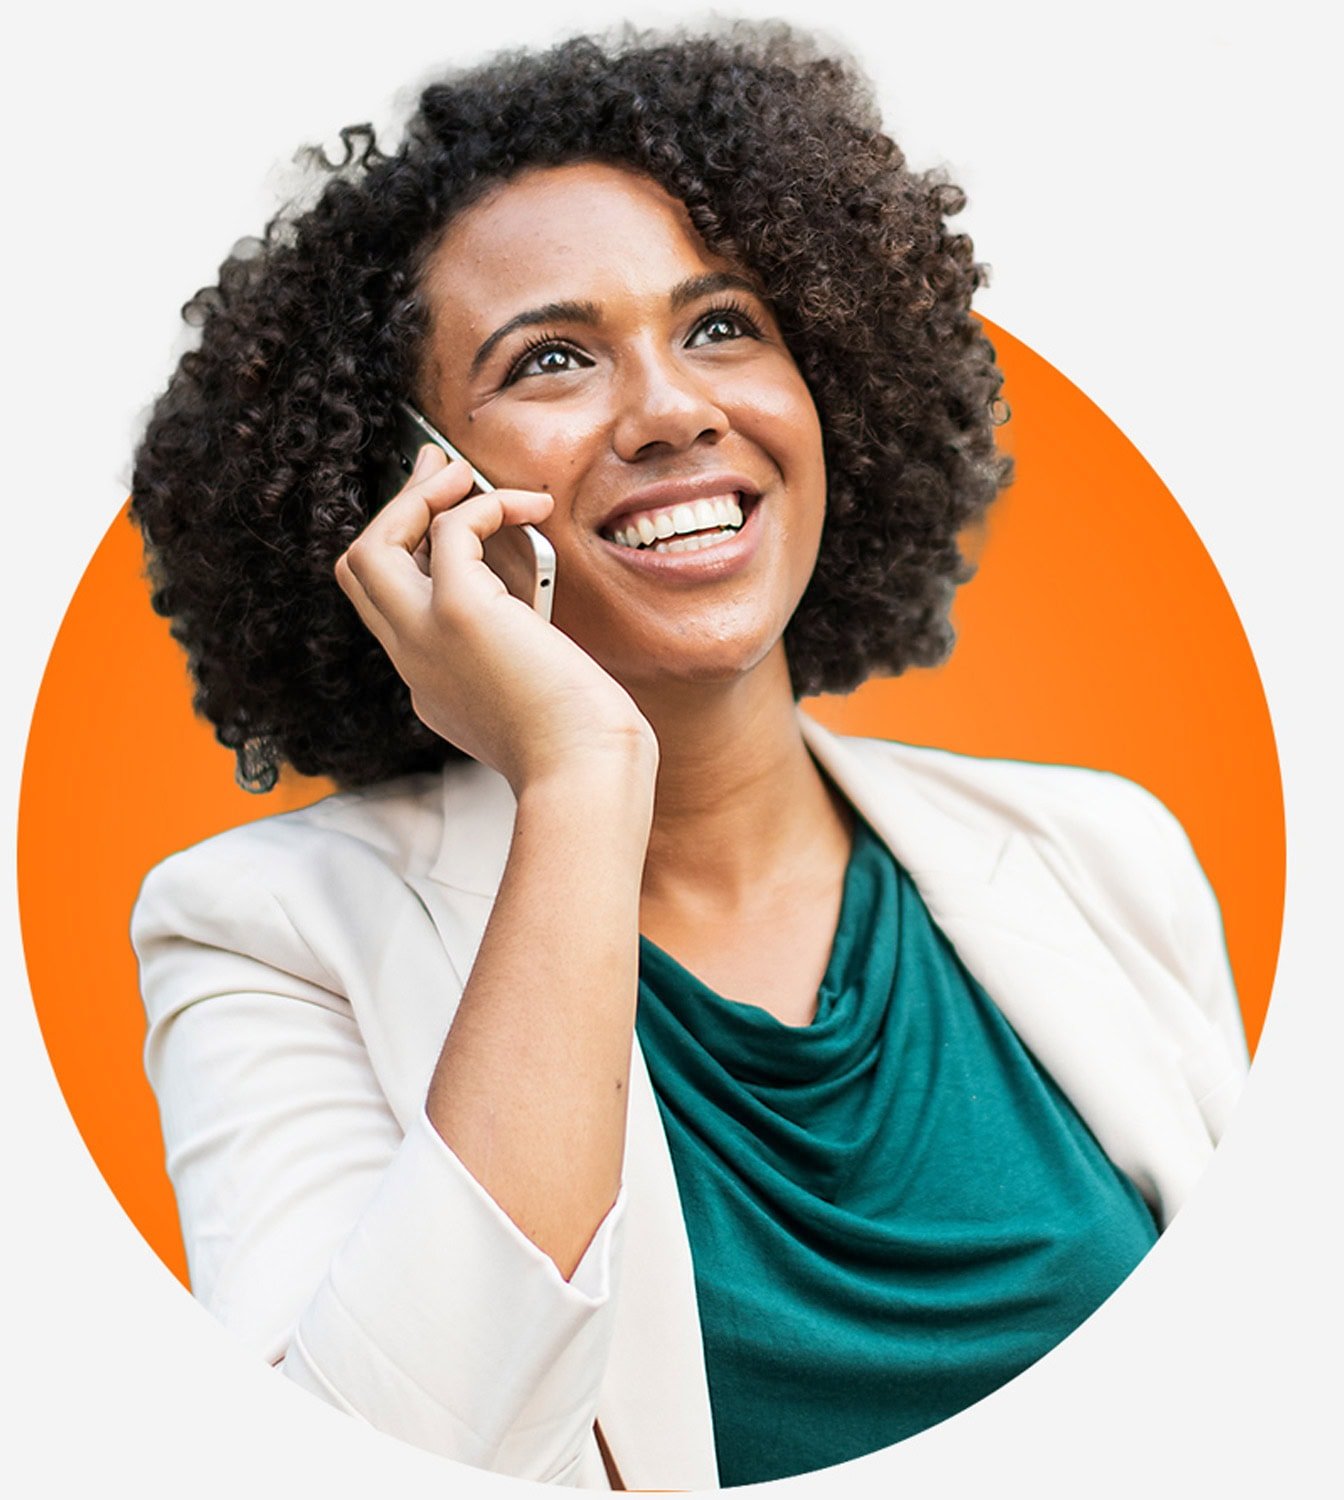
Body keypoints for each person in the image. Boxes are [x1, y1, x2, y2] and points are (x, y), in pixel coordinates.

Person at [127, 23, 1248, 1489]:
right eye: (554, 358)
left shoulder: (1104, 854)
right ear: (409, 485)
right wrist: (583, 776)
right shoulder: (263, 935)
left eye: (723, 326)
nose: (673, 409)